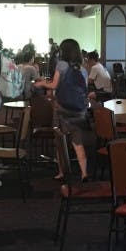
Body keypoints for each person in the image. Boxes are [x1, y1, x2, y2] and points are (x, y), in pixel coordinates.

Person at [35, 39, 90, 182]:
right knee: (78, 142)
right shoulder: (83, 69)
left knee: (60, 141)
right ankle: (84, 173)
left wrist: (41, 83)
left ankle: (61, 172)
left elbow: (54, 85)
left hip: (62, 109)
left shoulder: (62, 65)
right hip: (79, 110)